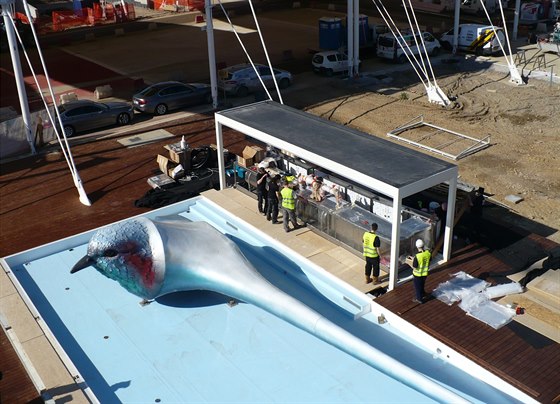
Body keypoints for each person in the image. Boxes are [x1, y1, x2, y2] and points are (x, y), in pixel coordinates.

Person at [411, 239, 431, 304]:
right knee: (422, 284)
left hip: (417, 275)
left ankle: (419, 299)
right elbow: (429, 259)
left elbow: (415, 266)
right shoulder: (428, 253)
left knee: (417, 287)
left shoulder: (417, 256)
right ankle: (423, 293)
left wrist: (412, 261)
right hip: (425, 273)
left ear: (417, 247)